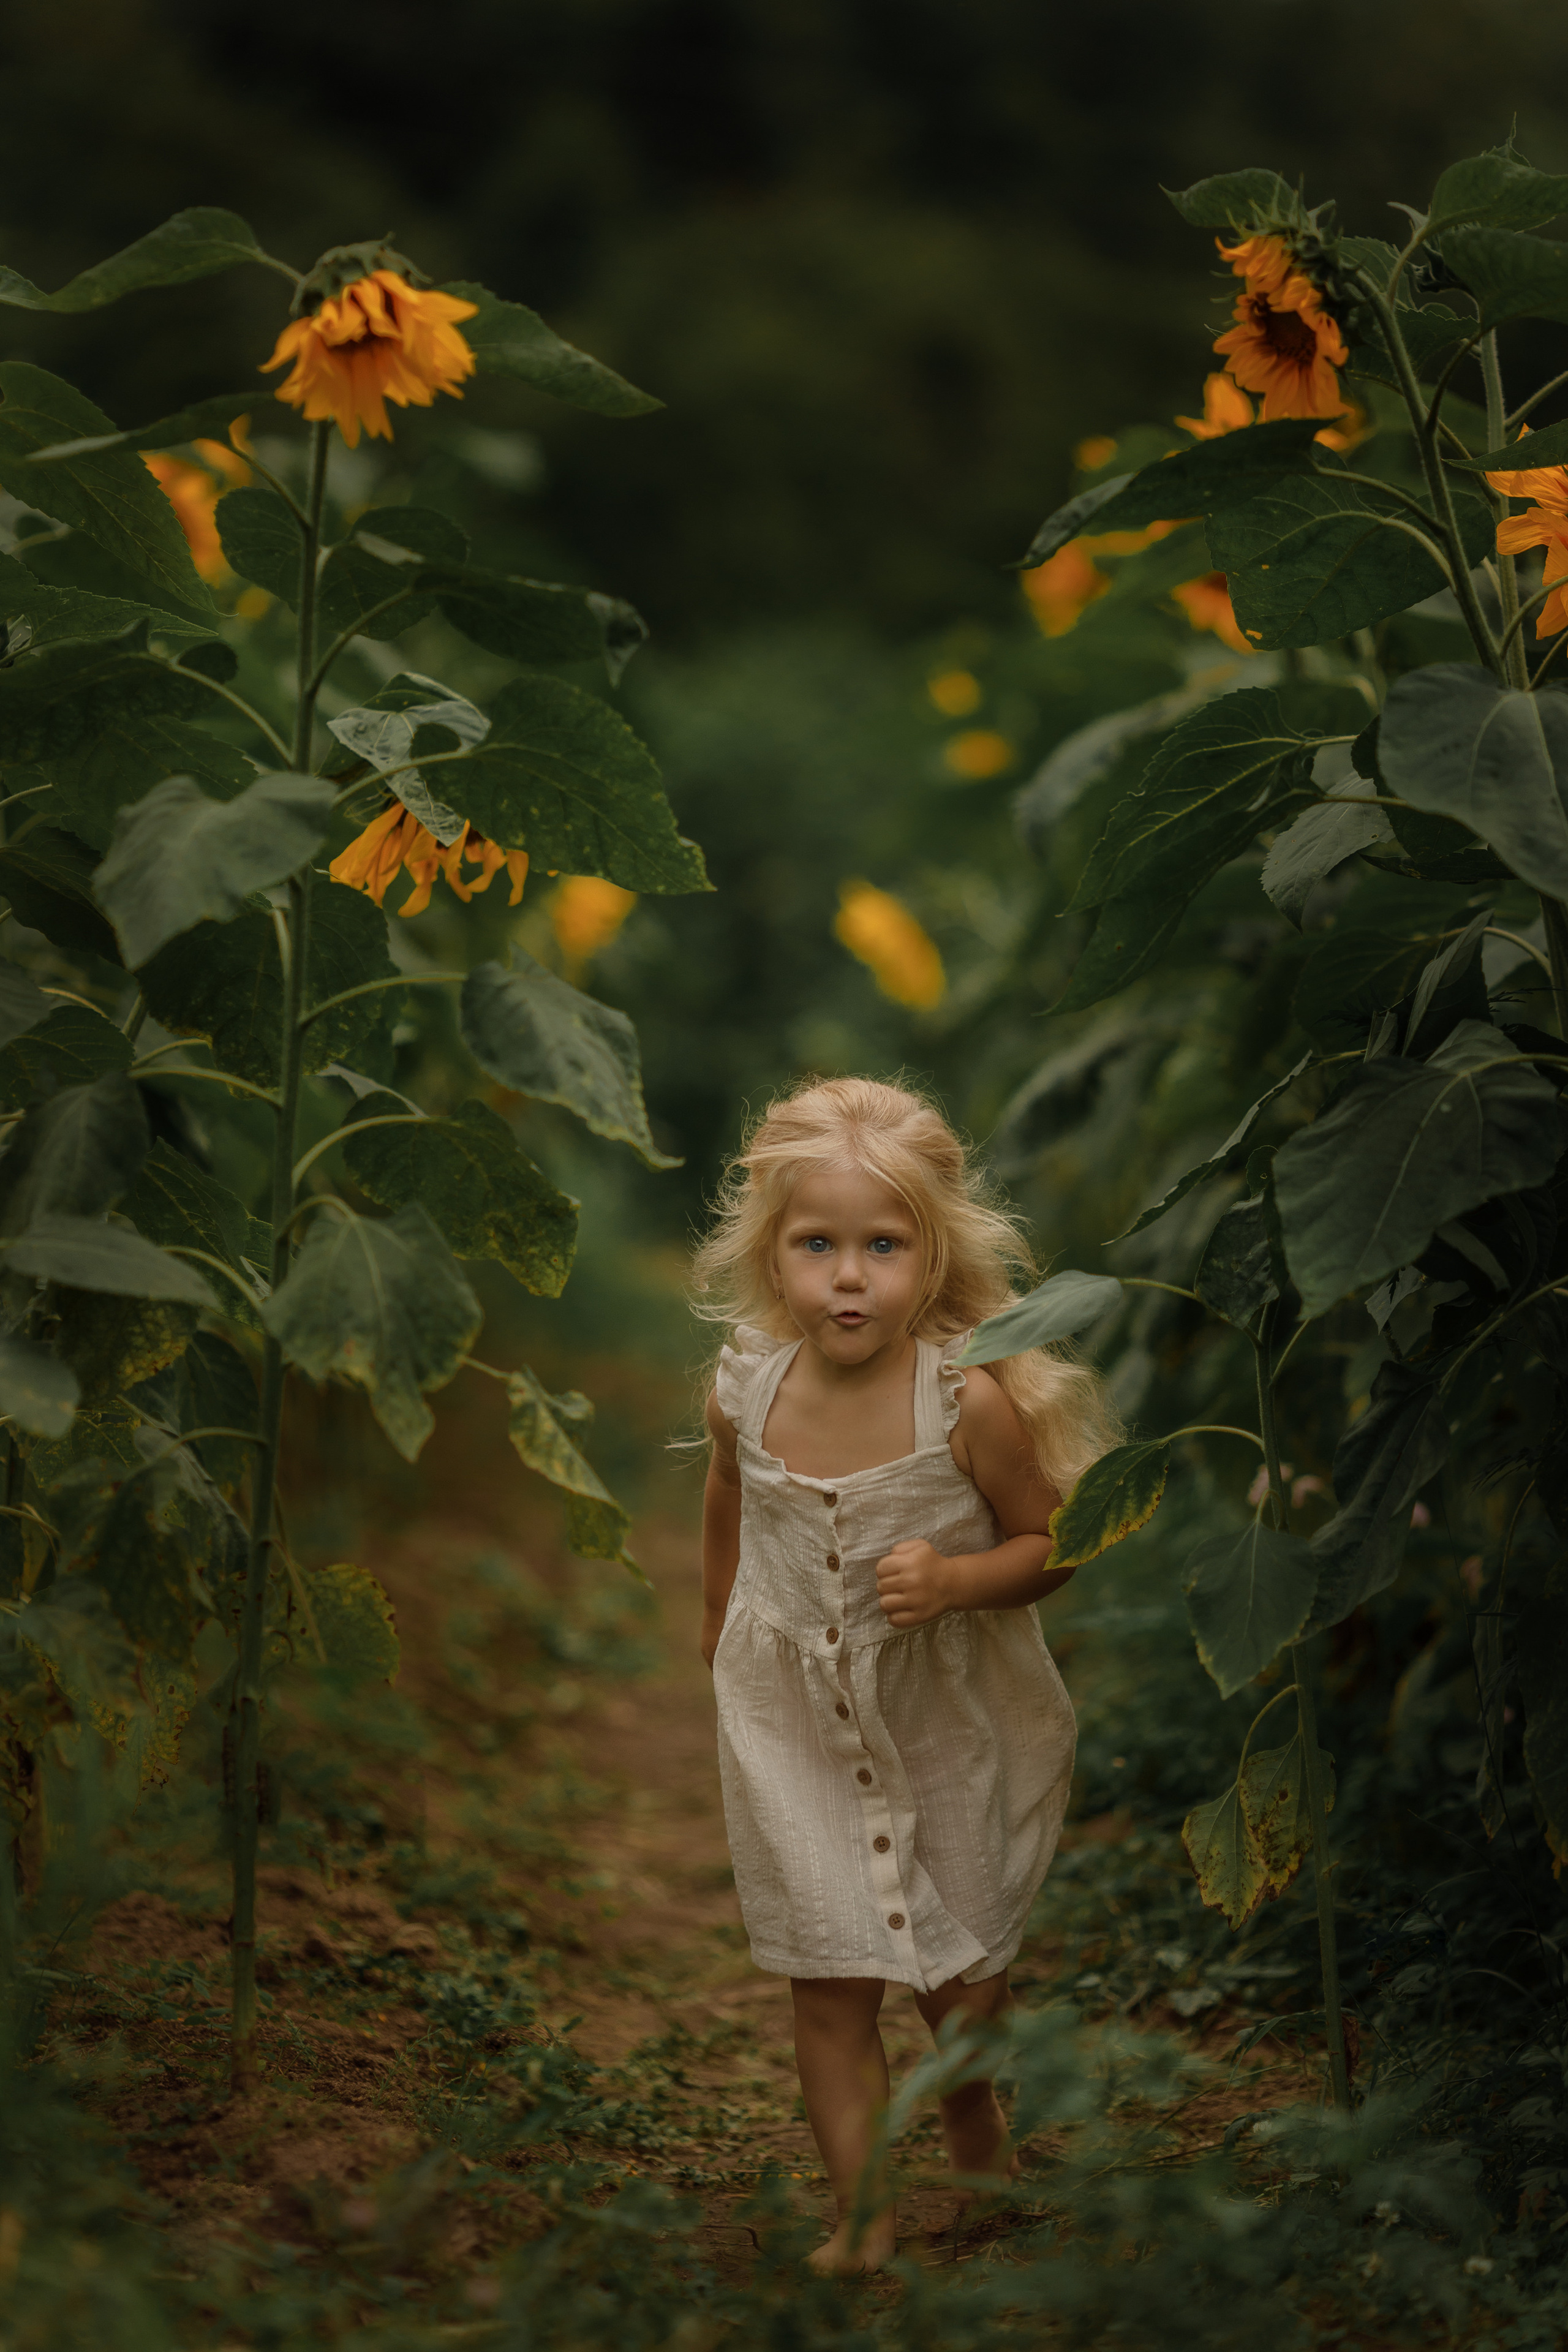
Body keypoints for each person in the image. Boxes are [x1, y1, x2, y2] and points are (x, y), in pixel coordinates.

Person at [692, 1076, 1118, 2272]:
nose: (846, 1276)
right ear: (770, 1253)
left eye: (881, 1245)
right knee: (827, 1981)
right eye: (815, 1243)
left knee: (960, 1979)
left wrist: (958, 1582)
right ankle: (863, 2218)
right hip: (795, 1733)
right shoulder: (746, 1388)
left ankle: (975, 2121)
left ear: (930, 1259)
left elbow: (1047, 1545)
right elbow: (724, 1507)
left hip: (942, 1715)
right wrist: (717, 1631)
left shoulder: (962, 1404)